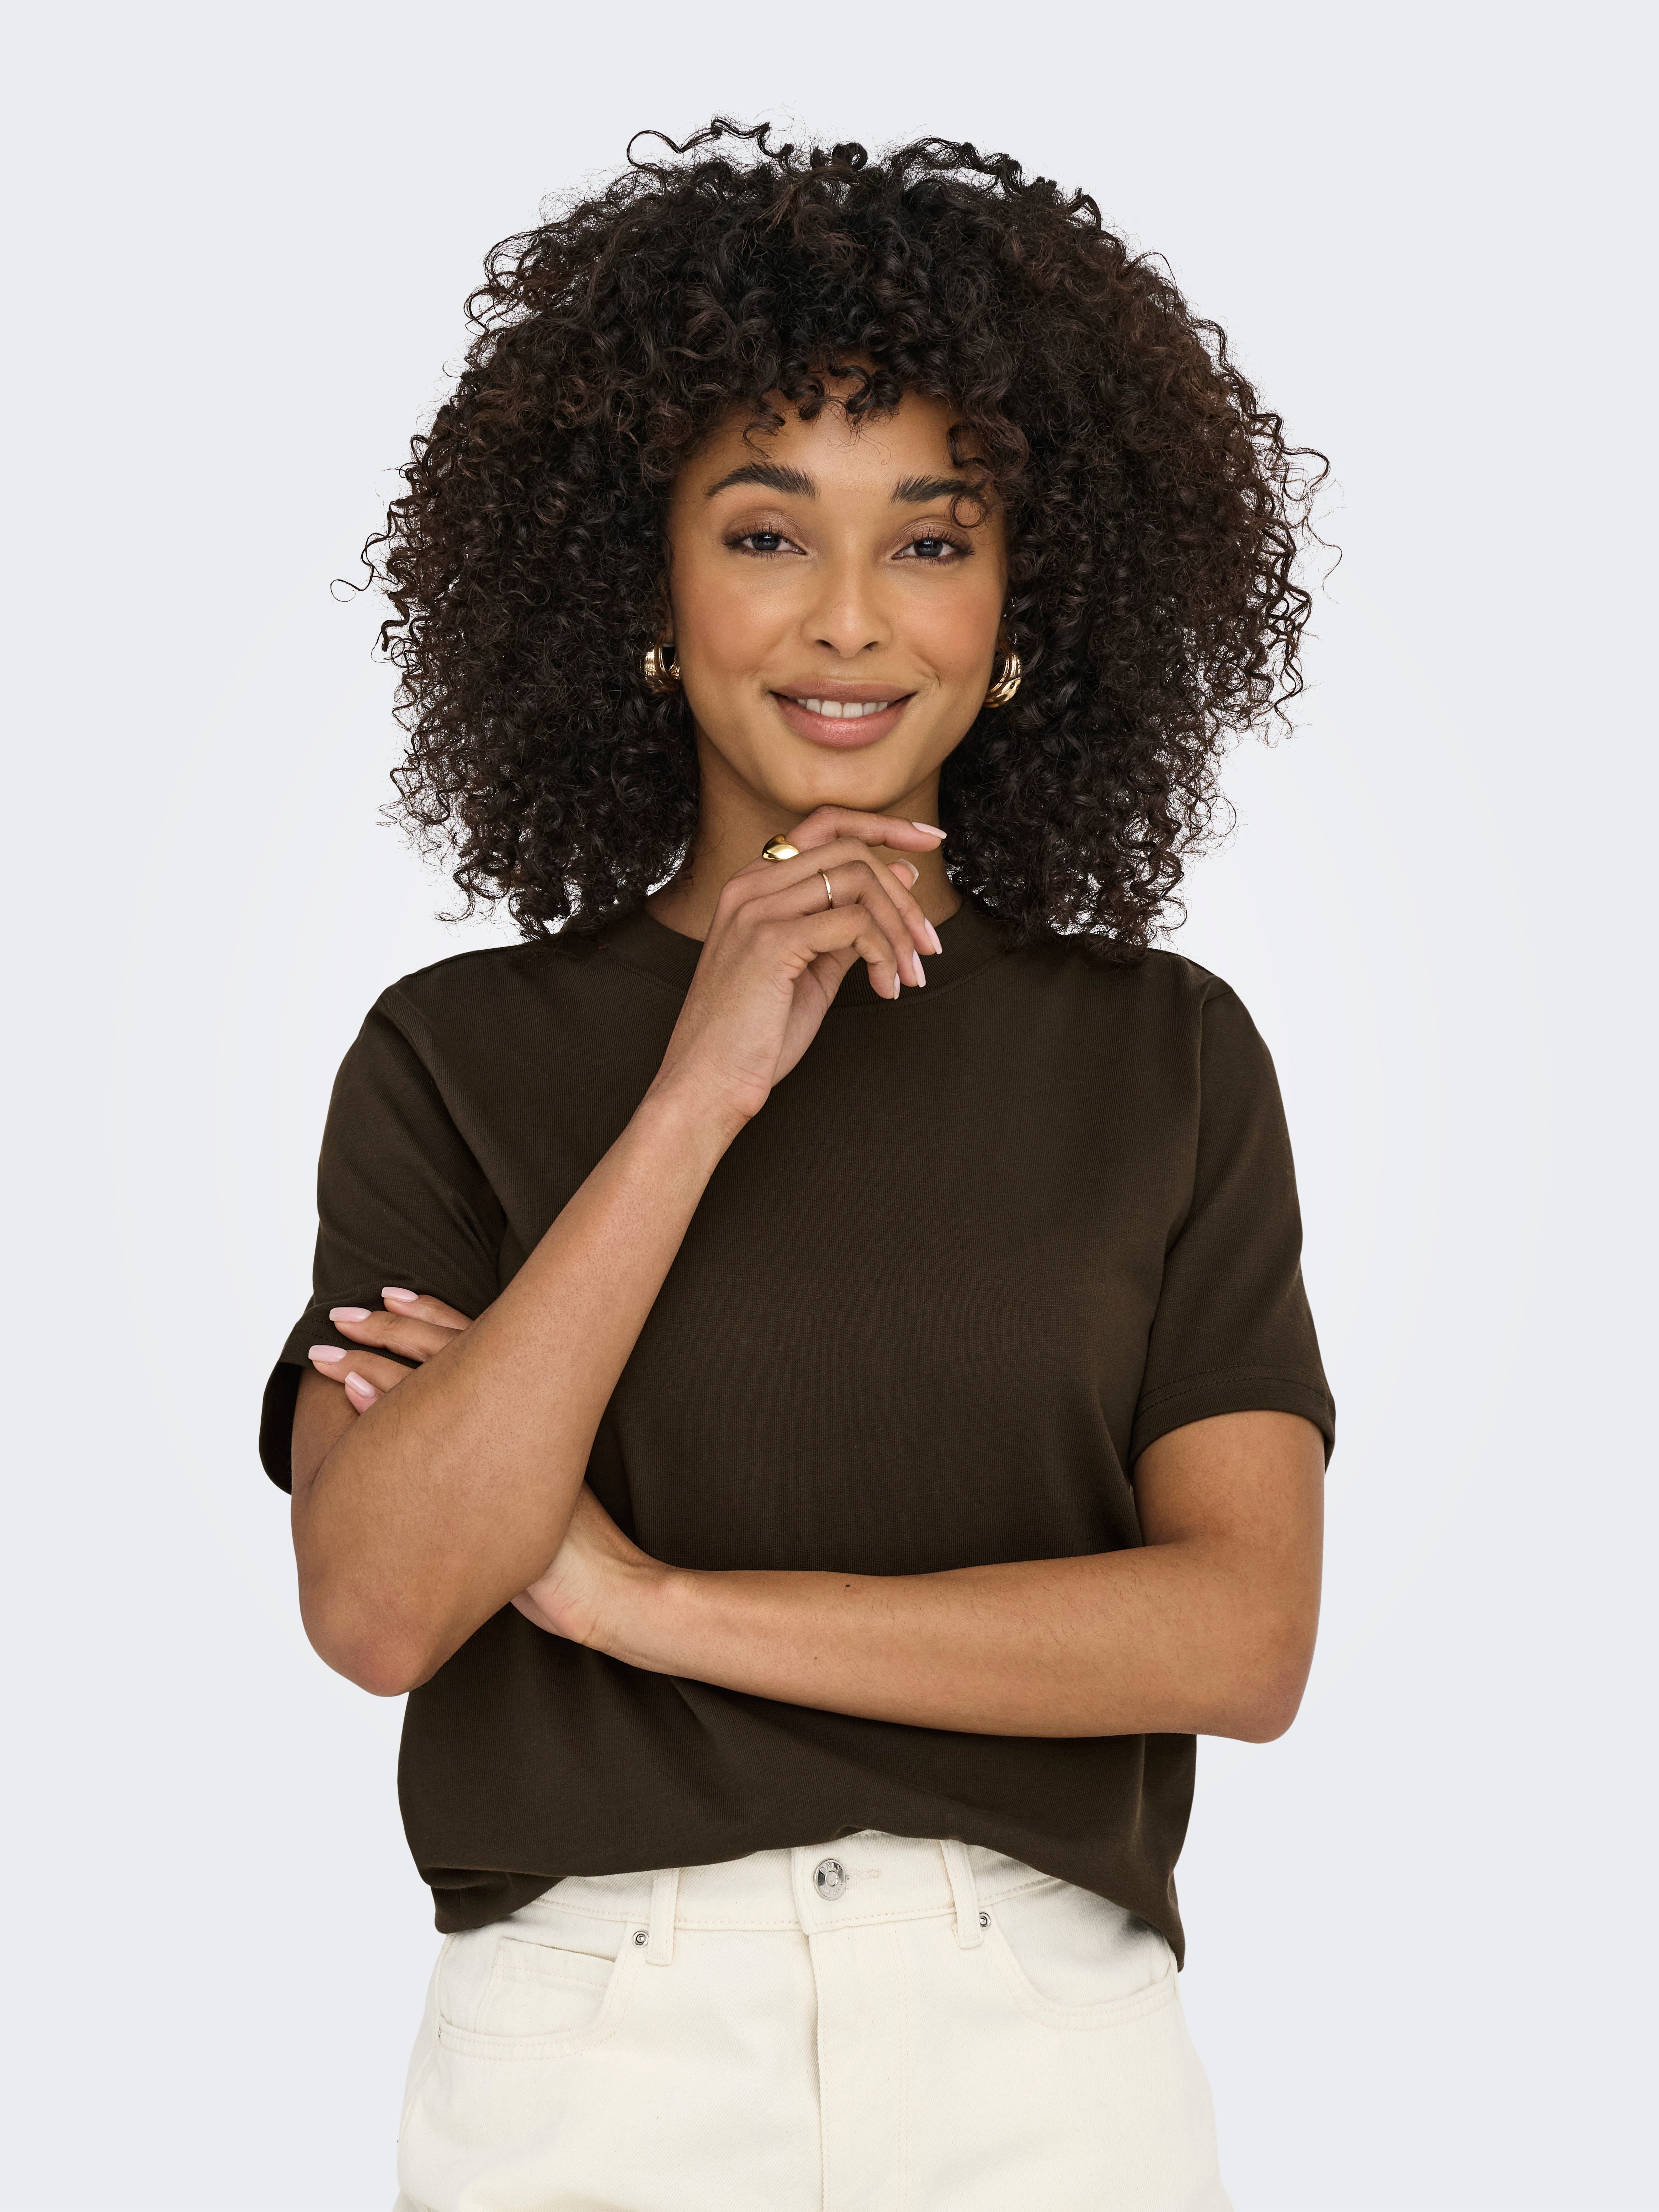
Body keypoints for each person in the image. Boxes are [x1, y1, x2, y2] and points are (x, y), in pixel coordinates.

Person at [261, 122, 1334, 2212]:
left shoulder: (1163, 1059)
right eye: (768, 534)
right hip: (592, 2048)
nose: (850, 623)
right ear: (648, 587)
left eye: (930, 542)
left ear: (1022, 603)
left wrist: (644, 1606)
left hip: (1043, 2051)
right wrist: (696, 1095)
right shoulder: (457, 1056)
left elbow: (1240, 1634)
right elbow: (384, 1601)